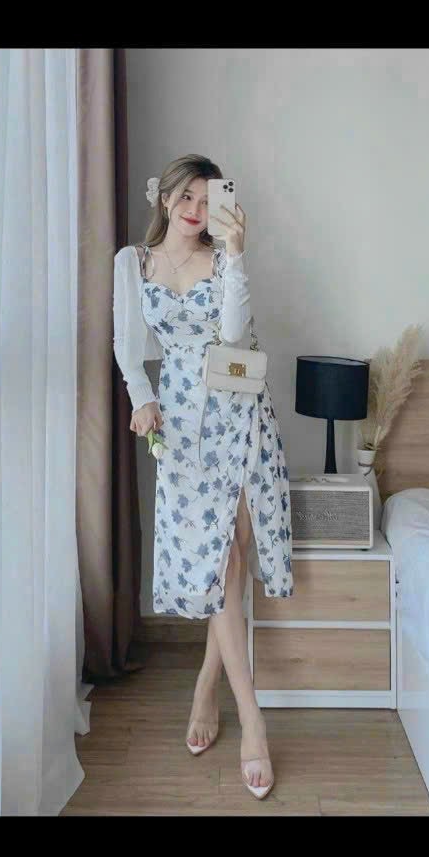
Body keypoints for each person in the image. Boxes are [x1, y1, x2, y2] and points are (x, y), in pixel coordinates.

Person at [113, 154, 293, 799]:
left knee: (233, 555)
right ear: (163, 198)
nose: (194, 208)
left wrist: (237, 255)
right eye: (184, 196)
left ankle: (208, 688)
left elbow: (236, 334)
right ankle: (250, 718)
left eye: (205, 197)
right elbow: (126, 345)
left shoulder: (221, 260)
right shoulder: (132, 262)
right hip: (183, 422)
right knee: (217, 566)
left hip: (239, 412)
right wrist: (142, 398)